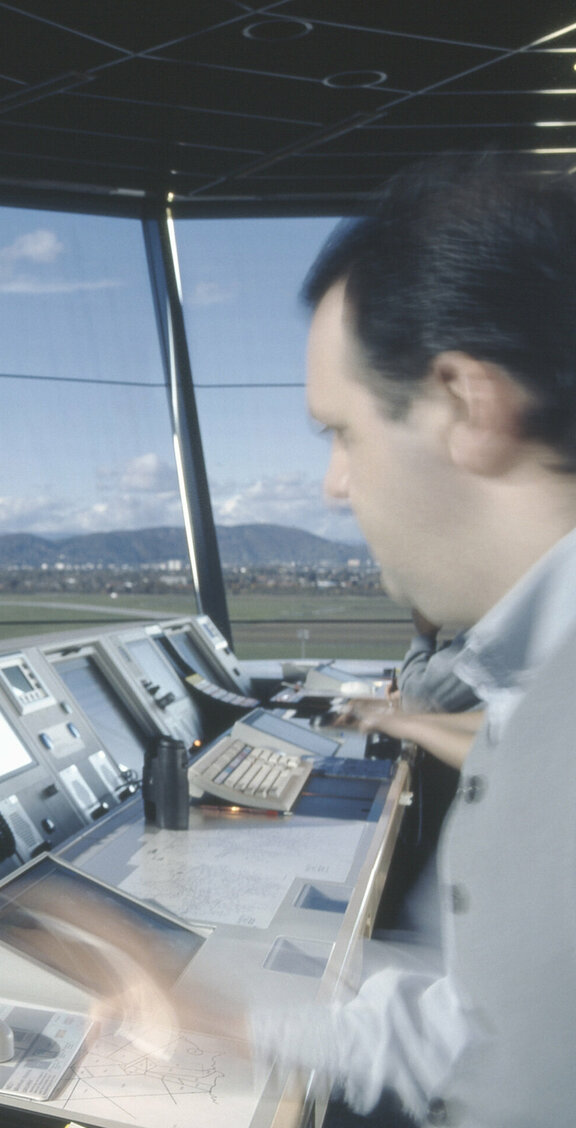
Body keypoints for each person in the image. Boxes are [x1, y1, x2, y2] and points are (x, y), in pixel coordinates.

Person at [153, 158, 576, 1127]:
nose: (334, 487)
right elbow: (490, 1030)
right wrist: (214, 1008)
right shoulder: (533, 694)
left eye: (340, 433)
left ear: (467, 405)